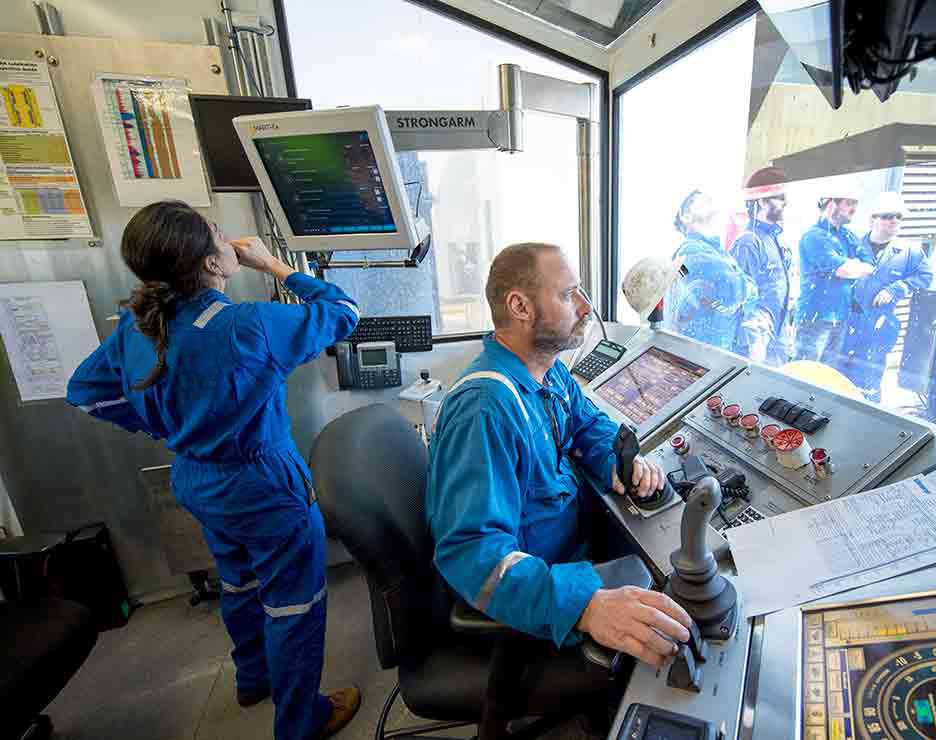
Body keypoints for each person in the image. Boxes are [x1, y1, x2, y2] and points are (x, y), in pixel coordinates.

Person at [66, 201, 362, 740]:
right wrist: (275, 266)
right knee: (294, 601)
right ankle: (302, 721)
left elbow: (85, 392)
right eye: (221, 236)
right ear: (209, 263)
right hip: (262, 482)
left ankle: (253, 677)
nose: (231, 242)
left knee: (239, 582)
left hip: (196, 478)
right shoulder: (249, 325)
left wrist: (165, 427)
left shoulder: (140, 326)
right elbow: (344, 311)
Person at [426, 242, 693, 669]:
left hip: (574, 549)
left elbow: (587, 424)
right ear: (520, 306)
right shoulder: (485, 408)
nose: (586, 307)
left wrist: (621, 464)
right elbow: (473, 553)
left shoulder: (548, 371)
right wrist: (586, 606)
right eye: (569, 294)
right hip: (543, 587)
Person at [840, 192, 933, 402]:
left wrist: (895, 290)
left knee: (869, 379)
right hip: (847, 321)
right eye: (888, 216)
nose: (895, 221)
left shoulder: (909, 252)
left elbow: (926, 276)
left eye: (899, 217)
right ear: (874, 219)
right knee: (839, 376)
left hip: (878, 324)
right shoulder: (852, 245)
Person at [664, 190, 758, 353]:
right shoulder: (692, 252)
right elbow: (735, 291)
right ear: (685, 217)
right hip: (703, 355)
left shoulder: (715, 252)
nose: (706, 198)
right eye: (696, 200)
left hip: (710, 351)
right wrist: (748, 287)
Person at [795, 183, 875, 365]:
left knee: (826, 377)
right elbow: (842, 270)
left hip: (840, 318)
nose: (854, 208)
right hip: (815, 320)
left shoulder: (848, 236)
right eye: (849, 203)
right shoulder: (814, 236)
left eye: (855, 203)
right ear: (831, 204)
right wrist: (852, 266)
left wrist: (852, 266)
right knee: (806, 375)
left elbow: (870, 264)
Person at [731, 167, 792, 365]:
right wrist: (754, 341)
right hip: (756, 342)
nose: (785, 203)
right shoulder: (750, 242)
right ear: (762, 202)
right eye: (779, 198)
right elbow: (741, 298)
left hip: (775, 335)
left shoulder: (773, 239)